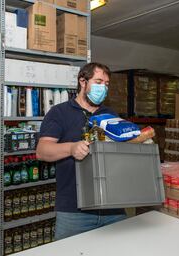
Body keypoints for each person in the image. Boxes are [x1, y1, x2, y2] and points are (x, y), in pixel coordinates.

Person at [36, 62, 126, 240]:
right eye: (98, 82)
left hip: (113, 207)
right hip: (74, 211)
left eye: (106, 84)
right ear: (83, 82)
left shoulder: (111, 115)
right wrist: (71, 147)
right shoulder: (59, 113)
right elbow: (42, 150)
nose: (103, 88)